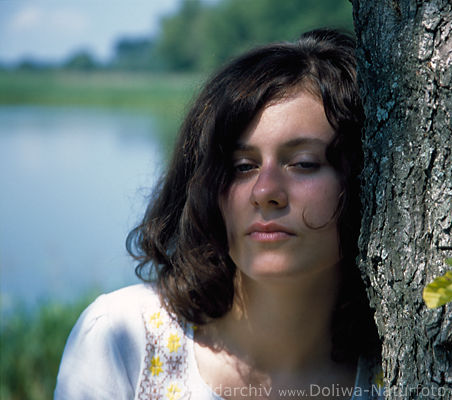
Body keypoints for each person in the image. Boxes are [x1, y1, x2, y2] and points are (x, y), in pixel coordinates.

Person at [55, 28, 382, 399]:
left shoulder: (400, 369)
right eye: (243, 166)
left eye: (303, 163)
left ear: (365, 178)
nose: (265, 192)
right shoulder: (124, 337)